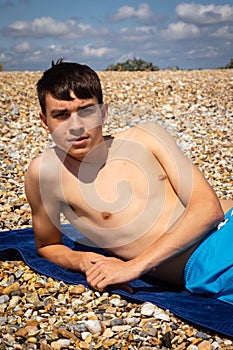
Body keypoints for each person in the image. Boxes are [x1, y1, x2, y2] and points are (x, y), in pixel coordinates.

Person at [25, 59, 233, 305]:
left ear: (103, 112)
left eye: (87, 111)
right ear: (44, 121)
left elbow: (209, 209)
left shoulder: (146, 137)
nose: (76, 126)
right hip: (205, 266)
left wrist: (134, 267)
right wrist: (82, 261)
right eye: (61, 115)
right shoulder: (45, 173)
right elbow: (48, 245)